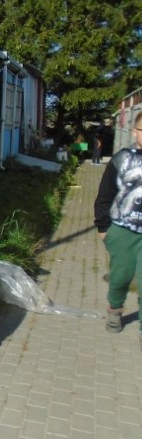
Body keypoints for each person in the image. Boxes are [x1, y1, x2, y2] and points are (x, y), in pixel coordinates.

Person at [93, 111, 142, 347]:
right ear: (135, 131)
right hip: (122, 230)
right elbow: (105, 195)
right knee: (120, 277)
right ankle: (114, 310)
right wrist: (104, 227)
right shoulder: (122, 158)